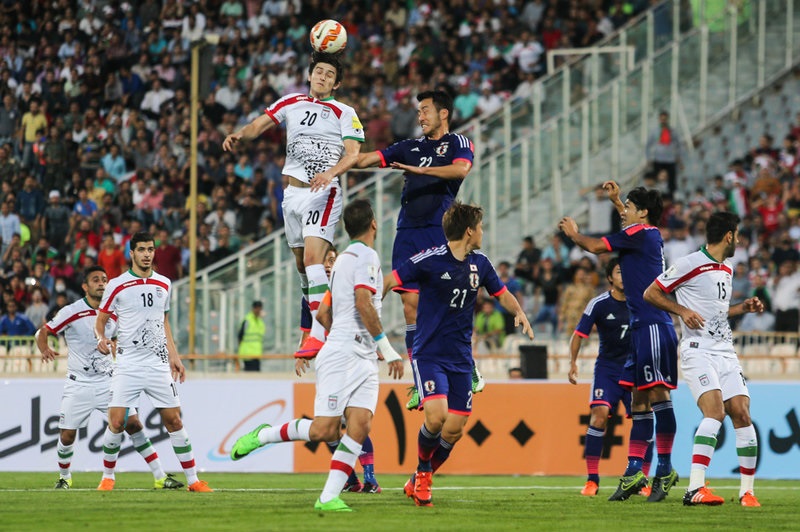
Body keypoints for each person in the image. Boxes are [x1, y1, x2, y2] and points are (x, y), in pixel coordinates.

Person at [229, 200, 404, 512]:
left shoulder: (341, 262)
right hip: (344, 355)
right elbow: (364, 303)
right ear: (374, 224)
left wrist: (354, 337)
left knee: (360, 426)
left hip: (360, 354)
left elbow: (323, 312)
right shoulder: (366, 257)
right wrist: (386, 348)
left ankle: (328, 497)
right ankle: (264, 434)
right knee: (324, 430)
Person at [382, 202, 534, 507]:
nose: (482, 232)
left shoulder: (481, 264)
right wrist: (373, 305)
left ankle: (418, 477)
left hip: (462, 359)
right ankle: (424, 474)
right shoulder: (429, 260)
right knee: (436, 417)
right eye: (479, 226)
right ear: (469, 231)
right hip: (429, 354)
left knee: (455, 429)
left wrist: (518, 311)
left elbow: (501, 293)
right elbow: (389, 280)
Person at [222, 51, 364, 361]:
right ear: (310, 74)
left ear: (337, 83)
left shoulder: (344, 112)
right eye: (319, 71)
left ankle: (319, 332)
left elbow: (353, 154)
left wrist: (330, 173)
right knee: (302, 266)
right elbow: (258, 125)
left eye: (329, 74)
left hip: (324, 192)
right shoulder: (292, 102)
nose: (322, 76)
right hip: (292, 194)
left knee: (315, 259)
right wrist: (239, 134)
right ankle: (312, 324)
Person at [355, 90, 483, 410]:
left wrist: (422, 172)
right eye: (418, 111)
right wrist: (343, 156)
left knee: (442, 305)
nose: (419, 116)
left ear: (443, 114)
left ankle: (468, 368)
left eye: (425, 110)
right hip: (407, 233)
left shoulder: (458, 143)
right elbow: (368, 159)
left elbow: (460, 170)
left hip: (439, 232)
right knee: (410, 307)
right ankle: (419, 381)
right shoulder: (409, 147)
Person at [559, 182, 679, 503]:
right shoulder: (641, 235)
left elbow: (597, 246)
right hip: (641, 328)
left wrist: (574, 234)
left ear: (643, 212)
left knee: (657, 397)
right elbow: (627, 225)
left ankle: (664, 469)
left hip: (654, 324)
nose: (622, 211)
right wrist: (615, 200)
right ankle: (633, 472)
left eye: (628, 205)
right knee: (639, 403)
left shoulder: (643, 234)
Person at [643, 212, 764, 507]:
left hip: (725, 350)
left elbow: (717, 312)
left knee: (742, 412)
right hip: (697, 350)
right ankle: (694, 488)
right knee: (714, 412)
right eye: (737, 235)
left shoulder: (727, 267)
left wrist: (742, 308)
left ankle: (747, 492)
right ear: (729, 236)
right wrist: (681, 311)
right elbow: (651, 292)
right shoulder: (689, 263)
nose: (739, 240)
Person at [36, 265, 183, 490]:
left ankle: (160, 476)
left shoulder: (116, 312)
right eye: (96, 280)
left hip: (110, 381)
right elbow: (44, 331)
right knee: (67, 435)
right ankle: (65, 477)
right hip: (80, 383)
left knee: (133, 424)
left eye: (104, 279)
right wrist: (45, 348)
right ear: (85, 286)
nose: (102, 283)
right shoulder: (71, 311)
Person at [94, 232, 212, 492]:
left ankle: (193, 480)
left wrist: (174, 356)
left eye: (150, 249)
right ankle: (108, 477)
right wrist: (101, 338)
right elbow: (101, 320)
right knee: (117, 422)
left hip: (157, 364)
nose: (147, 254)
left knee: (175, 422)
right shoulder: (117, 284)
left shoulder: (164, 284)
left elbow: (164, 323)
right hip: (127, 364)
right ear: (131, 253)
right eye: (142, 249)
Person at [298, 245, 384, 494]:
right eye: (324, 260)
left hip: (350, 357)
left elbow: (364, 315)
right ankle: (351, 478)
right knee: (331, 426)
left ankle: (369, 477)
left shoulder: (346, 289)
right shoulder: (311, 296)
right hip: (329, 361)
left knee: (355, 420)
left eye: (332, 259)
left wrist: (372, 345)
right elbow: (308, 327)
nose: (327, 264)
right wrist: (301, 353)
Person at [569, 258, 653, 497]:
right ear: (609, 278)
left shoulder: (643, 300)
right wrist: (572, 362)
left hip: (636, 370)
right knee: (599, 416)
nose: (624, 276)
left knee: (644, 421)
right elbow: (578, 335)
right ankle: (592, 480)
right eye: (619, 272)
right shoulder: (599, 304)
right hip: (608, 369)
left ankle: (642, 480)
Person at [237, 300, 265, 372]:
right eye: (258, 309)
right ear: (254, 309)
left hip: (257, 354)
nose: (259, 311)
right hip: (248, 354)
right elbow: (240, 336)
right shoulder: (247, 320)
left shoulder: (260, 321)